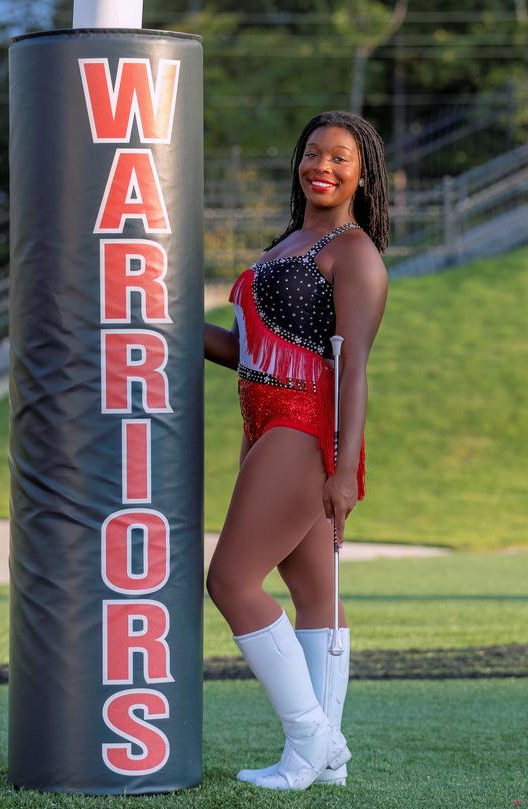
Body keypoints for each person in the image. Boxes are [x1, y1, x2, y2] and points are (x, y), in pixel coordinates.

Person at [204, 110, 389, 790]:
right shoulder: (286, 243)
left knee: (230, 582)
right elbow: (246, 351)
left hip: (304, 424)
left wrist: (343, 470)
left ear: (363, 175)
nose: (322, 166)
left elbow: (354, 366)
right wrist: (166, 319)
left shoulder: (354, 254)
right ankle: (320, 762)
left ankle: (313, 740)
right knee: (313, 590)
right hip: (262, 419)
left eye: (340, 157)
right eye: (313, 152)